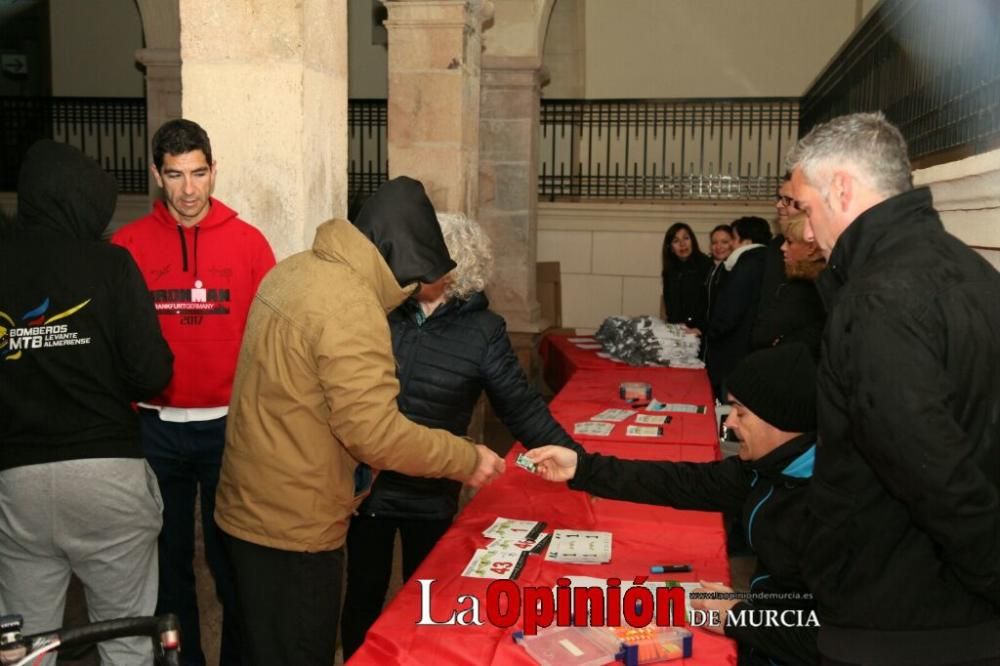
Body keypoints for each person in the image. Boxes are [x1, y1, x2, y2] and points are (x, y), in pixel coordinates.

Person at [214, 176, 506, 666]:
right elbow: (375, 434)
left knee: (248, 648)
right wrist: (464, 457)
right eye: (411, 279)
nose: (412, 290)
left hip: (246, 511)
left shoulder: (291, 271)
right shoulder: (350, 304)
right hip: (295, 528)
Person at [787, 112, 1000, 665]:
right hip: (956, 615)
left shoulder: (875, 301)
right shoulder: (975, 272)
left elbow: (932, 473)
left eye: (807, 209)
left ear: (842, 187)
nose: (807, 232)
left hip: (895, 623)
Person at [340, 213, 585, 659]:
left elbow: (520, 404)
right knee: (361, 598)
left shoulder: (482, 330)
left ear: (452, 267)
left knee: (426, 601)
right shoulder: (383, 310)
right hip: (370, 486)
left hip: (434, 488)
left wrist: (578, 460)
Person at [527, 343, 820, 666]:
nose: (731, 424)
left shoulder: (834, 510)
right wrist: (583, 468)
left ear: (781, 419)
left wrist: (741, 617)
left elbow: (830, 640)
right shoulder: (767, 466)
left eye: (741, 412)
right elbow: (681, 482)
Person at [0, 141, 173, 665]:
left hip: (17, 481)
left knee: (27, 647)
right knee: (125, 638)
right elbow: (152, 373)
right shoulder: (110, 264)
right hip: (106, 476)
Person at [112, 119, 274, 666]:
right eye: (176, 175)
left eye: (199, 173)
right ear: (158, 175)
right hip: (154, 428)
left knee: (233, 558)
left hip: (228, 426)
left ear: (213, 170)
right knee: (167, 561)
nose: (189, 189)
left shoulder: (250, 244)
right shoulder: (126, 246)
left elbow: (271, 338)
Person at [702, 216, 771, 399]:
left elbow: (728, 314)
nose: (730, 244)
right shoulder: (768, 261)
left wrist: (710, 332)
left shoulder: (745, 266)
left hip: (733, 353)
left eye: (732, 238)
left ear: (745, 240)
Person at [661, 222, 713, 330]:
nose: (682, 244)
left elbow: (710, 304)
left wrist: (700, 328)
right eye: (676, 241)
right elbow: (669, 304)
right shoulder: (669, 270)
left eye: (686, 238)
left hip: (700, 330)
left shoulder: (706, 266)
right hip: (677, 329)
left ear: (693, 241)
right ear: (670, 247)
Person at [704, 224, 736, 327]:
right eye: (714, 242)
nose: (718, 247)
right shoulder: (708, 267)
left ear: (734, 243)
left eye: (724, 242)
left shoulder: (735, 270)